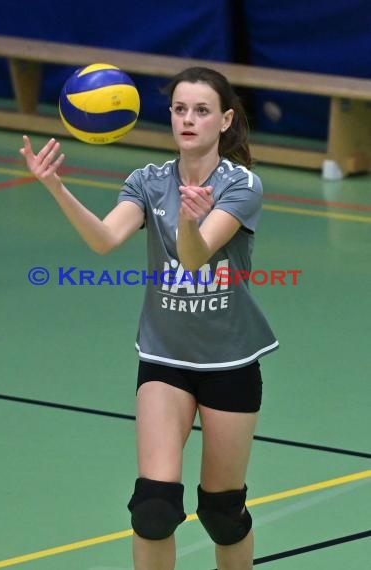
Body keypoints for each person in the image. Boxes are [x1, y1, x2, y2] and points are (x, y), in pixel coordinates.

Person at [20, 66, 279, 570]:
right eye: (180, 109)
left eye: (201, 110)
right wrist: (56, 188)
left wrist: (188, 217)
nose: (188, 119)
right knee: (154, 508)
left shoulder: (242, 185)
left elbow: (194, 256)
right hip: (165, 356)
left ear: (225, 120)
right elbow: (103, 240)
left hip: (230, 361)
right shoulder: (147, 180)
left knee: (223, 512)